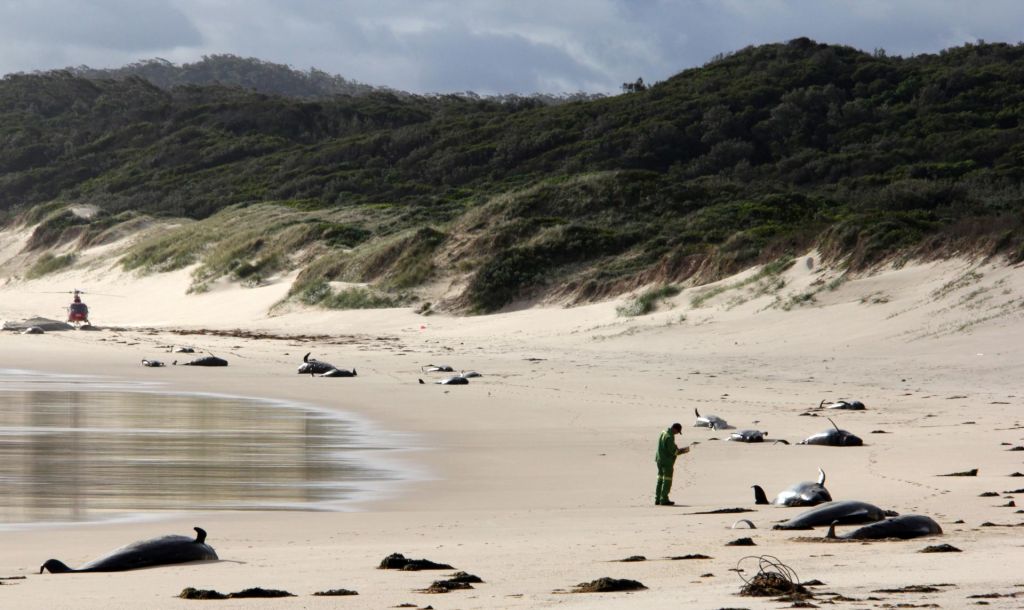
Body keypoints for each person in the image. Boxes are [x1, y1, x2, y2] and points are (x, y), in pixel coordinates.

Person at [655, 422, 689, 506]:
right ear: (675, 429)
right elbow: (673, 451)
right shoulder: (669, 437)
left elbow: (666, 446)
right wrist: (684, 450)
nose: (677, 434)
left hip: (659, 459)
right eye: (678, 432)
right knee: (667, 480)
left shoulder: (664, 432)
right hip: (666, 461)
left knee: (660, 479)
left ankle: (658, 499)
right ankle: (664, 499)